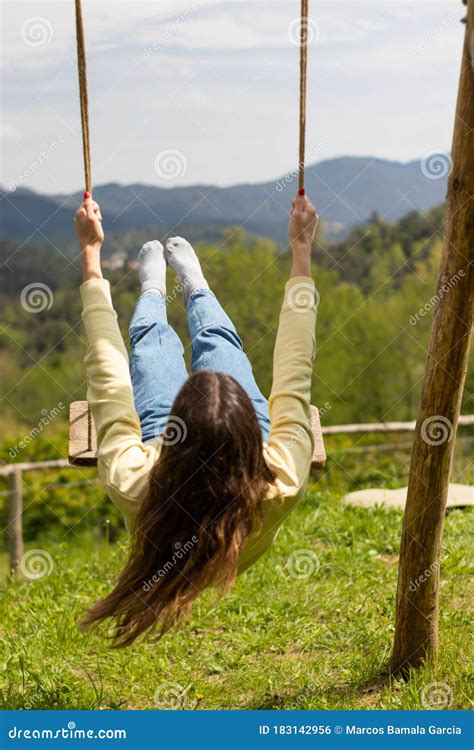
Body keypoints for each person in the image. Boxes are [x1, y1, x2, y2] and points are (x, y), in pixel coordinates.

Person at [75, 188, 318, 647]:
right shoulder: (280, 476)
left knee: (152, 349)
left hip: (179, 460)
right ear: (251, 430)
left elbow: (109, 380)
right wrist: (302, 251)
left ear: (174, 431)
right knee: (220, 345)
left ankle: (153, 288)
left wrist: (90, 256)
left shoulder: (137, 480)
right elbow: (295, 369)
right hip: (224, 453)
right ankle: (196, 287)